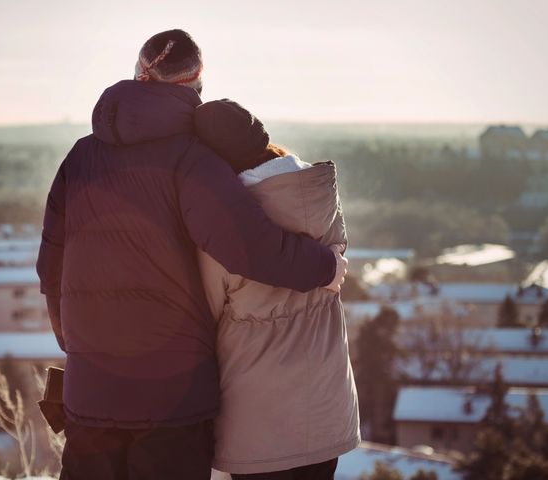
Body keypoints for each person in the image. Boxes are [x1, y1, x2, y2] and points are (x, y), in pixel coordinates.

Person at [36, 29, 348, 480]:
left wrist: (75, 342)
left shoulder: (82, 156)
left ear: (137, 76)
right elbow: (250, 249)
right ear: (196, 85)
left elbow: (52, 263)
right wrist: (325, 266)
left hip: (91, 387)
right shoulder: (192, 159)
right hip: (171, 395)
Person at [195, 100, 360, 480]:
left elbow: (203, 314)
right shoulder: (322, 202)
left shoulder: (225, 233)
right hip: (326, 407)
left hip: (258, 423)